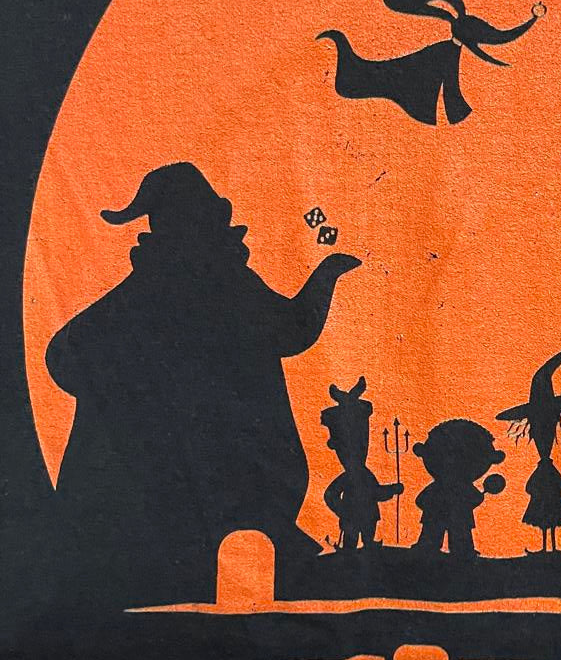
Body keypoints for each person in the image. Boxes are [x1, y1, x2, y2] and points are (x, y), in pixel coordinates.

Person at [46, 162, 360, 575]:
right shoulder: (220, 283)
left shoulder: (164, 286)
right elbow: (293, 328)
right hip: (196, 487)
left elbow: (64, 356)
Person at [318, 0, 545, 126]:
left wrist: (531, 20)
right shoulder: (444, 52)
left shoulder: (446, 51)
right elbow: (448, 87)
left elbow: (448, 88)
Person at [497, 342, 561, 552]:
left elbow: (535, 486)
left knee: (548, 522)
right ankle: (547, 547)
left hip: (546, 499)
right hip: (551, 499)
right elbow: (556, 484)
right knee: (548, 522)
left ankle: (549, 548)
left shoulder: (544, 468)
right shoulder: (546, 468)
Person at [320, 377, 402, 551]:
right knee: (351, 545)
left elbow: (376, 492)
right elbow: (330, 495)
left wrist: (392, 489)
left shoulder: (363, 475)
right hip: (355, 517)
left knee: (366, 544)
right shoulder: (353, 476)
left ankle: (367, 546)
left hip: (366, 517)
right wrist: (343, 510)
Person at [412, 419, 506, 556]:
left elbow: (421, 500)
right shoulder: (458, 487)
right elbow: (474, 499)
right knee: (452, 531)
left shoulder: (441, 487)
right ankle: (454, 549)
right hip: (454, 515)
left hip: (440, 513)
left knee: (449, 531)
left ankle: (450, 549)